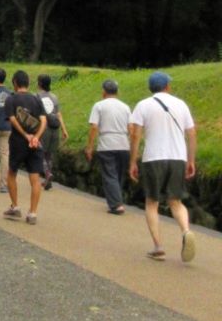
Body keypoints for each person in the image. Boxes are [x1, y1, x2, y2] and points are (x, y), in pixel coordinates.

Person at [129, 71, 197, 263]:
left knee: (152, 202)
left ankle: (158, 246)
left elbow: (135, 135)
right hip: (177, 157)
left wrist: (133, 161)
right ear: (167, 86)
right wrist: (190, 160)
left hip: (153, 158)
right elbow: (191, 133)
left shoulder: (143, 105)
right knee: (175, 201)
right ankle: (185, 231)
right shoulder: (181, 104)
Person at [4, 70, 47, 225]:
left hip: (18, 142)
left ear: (15, 82)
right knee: (35, 178)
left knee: (12, 173)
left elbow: (13, 119)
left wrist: (25, 135)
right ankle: (33, 213)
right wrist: (36, 137)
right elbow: (43, 120)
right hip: (35, 144)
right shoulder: (36, 99)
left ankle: (15, 207)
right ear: (28, 83)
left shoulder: (11, 99)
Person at [84, 79, 132, 215]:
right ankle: (117, 200)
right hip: (123, 143)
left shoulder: (99, 106)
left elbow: (94, 127)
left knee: (110, 175)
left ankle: (117, 205)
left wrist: (89, 147)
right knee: (118, 175)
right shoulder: (125, 107)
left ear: (104, 91)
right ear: (117, 91)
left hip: (106, 144)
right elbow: (131, 128)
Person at [36, 74, 69, 190]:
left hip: (44, 129)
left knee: (40, 153)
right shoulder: (54, 97)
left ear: (39, 83)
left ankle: (47, 174)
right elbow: (58, 114)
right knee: (49, 155)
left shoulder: (37, 96)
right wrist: (64, 130)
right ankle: (47, 179)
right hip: (55, 128)